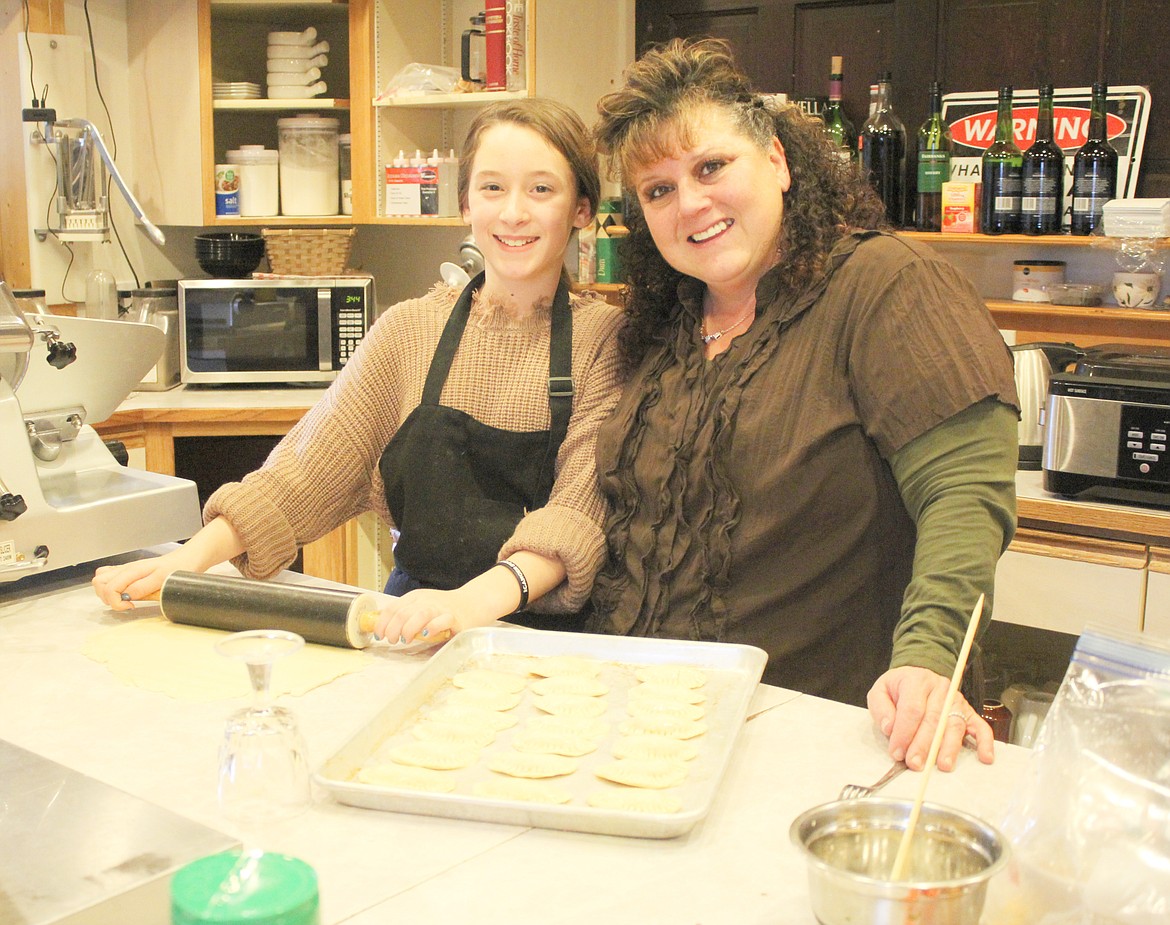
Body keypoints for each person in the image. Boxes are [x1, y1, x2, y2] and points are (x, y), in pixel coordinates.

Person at [587, 38, 1020, 774]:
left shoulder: (886, 285)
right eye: (657, 191)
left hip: (828, 746)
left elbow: (964, 493)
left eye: (710, 166)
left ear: (780, 162)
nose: (690, 203)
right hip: (652, 740)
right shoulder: (664, 329)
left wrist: (927, 659)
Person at [93, 99, 625, 636]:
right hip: (412, 621)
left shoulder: (605, 340)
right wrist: (184, 562)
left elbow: (577, 514)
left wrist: (467, 606)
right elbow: (306, 471)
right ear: (464, 202)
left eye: (541, 189)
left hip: (544, 634)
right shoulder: (407, 330)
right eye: (492, 187)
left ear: (581, 209)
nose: (513, 212)